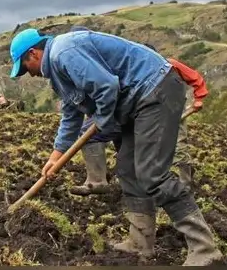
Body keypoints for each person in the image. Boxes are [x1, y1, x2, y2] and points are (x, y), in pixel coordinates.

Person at [8, 27, 222, 265]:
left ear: (34, 54)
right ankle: (140, 243)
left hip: (155, 90)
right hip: (136, 102)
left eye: (26, 69)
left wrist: (102, 120)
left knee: (152, 174)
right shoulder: (59, 69)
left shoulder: (63, 53)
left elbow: (106, 86)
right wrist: (55, 156)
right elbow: (71, 113)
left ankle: (205, 251)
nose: (30, 75)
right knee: (127, 169)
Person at [72, 51, 209, 195]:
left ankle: (183, 184)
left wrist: (199, 98)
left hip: (172, 104)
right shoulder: (130, 70)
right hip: (146, 107)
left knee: (178, 144)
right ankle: (132, 180)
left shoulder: (169, 64)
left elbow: (195, 77)